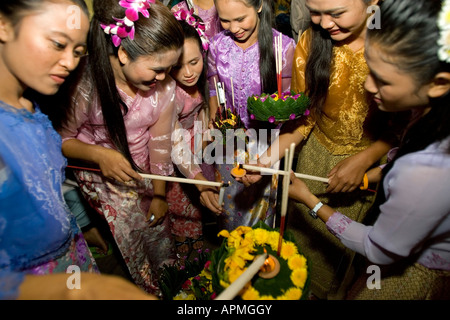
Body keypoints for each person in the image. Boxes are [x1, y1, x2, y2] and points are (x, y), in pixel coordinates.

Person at [240, 0, 405, 299]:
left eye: (336, 13)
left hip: (370, 167)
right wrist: (264, 161)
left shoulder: (398, 44)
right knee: (299, 240)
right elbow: (306, 118)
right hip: (315, 157)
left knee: (339, 248)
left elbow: (405, 126)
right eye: (315, 12)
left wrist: (365, 160)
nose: (325, 23)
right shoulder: (311, 40)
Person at [289, 0, 450, 299]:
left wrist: (309, 200)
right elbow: (304, 116)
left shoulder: (426, 168)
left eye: (382, 79)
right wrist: (370, 176)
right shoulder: (426, 116)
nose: (368, 85)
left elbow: (378, 245)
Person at [0, 0, 155, 300]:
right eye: (58, 44)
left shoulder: (30, 103)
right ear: (4, 25)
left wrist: (77, 232)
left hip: (69, 258)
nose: (70, 63)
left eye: (77, 51)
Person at [57, 0, 184, 296]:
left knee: (159, 231)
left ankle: (173, 286)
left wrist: (160, 193)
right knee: (130, 237)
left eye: (169, 69)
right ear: (123, 54)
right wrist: (100, 155)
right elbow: (60, 141)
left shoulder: (163, 88)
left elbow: (161, 145)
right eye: (157, 69)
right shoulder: (84, 86)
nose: (164, 78)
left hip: (146, 174)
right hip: (102, 178)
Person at [207, 0, 296, 231]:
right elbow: (213, 90)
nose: (233, 28)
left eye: (240, 19)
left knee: (259, 217)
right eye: (225, 20)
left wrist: (263, 154)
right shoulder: (217, 45)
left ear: (258, 6)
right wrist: (216, 121)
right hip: (228, 141)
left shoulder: (283, 47)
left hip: (266, 144)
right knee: (228, 212)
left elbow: (286, 105)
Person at [167, 9, 219, 255]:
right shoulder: (169, 94)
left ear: (203, 54)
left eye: (194, 62)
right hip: (175, 153)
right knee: (185, 212)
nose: (188, 73)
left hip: (198, 143)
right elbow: (173, 140)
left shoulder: (204, 79)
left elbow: (202, 109)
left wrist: (206, 133)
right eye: (177, 66)